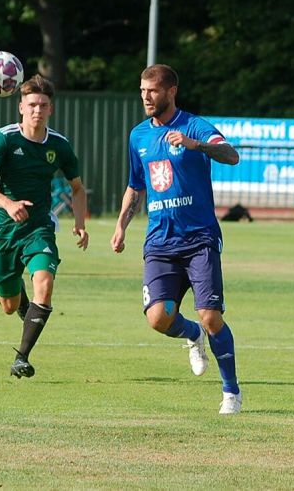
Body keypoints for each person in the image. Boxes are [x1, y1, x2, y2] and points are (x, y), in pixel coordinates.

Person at [110, 64, 243, 414]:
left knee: (212, 315)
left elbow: (231, 155)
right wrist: (122, 225)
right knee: (158, 318)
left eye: (152, 91)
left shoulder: (194, 125)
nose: (146, 97)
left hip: (199, 239)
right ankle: (191, 335)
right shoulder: (138, 136)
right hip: (160, 242)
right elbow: (135, 186)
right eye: (142, 91)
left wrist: (195, 144)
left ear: (171, 91)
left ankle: (231, 392)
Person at [0, 74, 89, 379]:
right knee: (9, 306)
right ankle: (22, 301)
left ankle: (21, 357)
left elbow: (77, 187)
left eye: (43, 105)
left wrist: (79, 223)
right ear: (21, 107)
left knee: (45, 283)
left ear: (50, 109)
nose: (38, 110)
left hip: (39, 228)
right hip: (3, 230)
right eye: (32, 104)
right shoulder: (5, 138)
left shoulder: (59, 145)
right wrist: (8, 204)